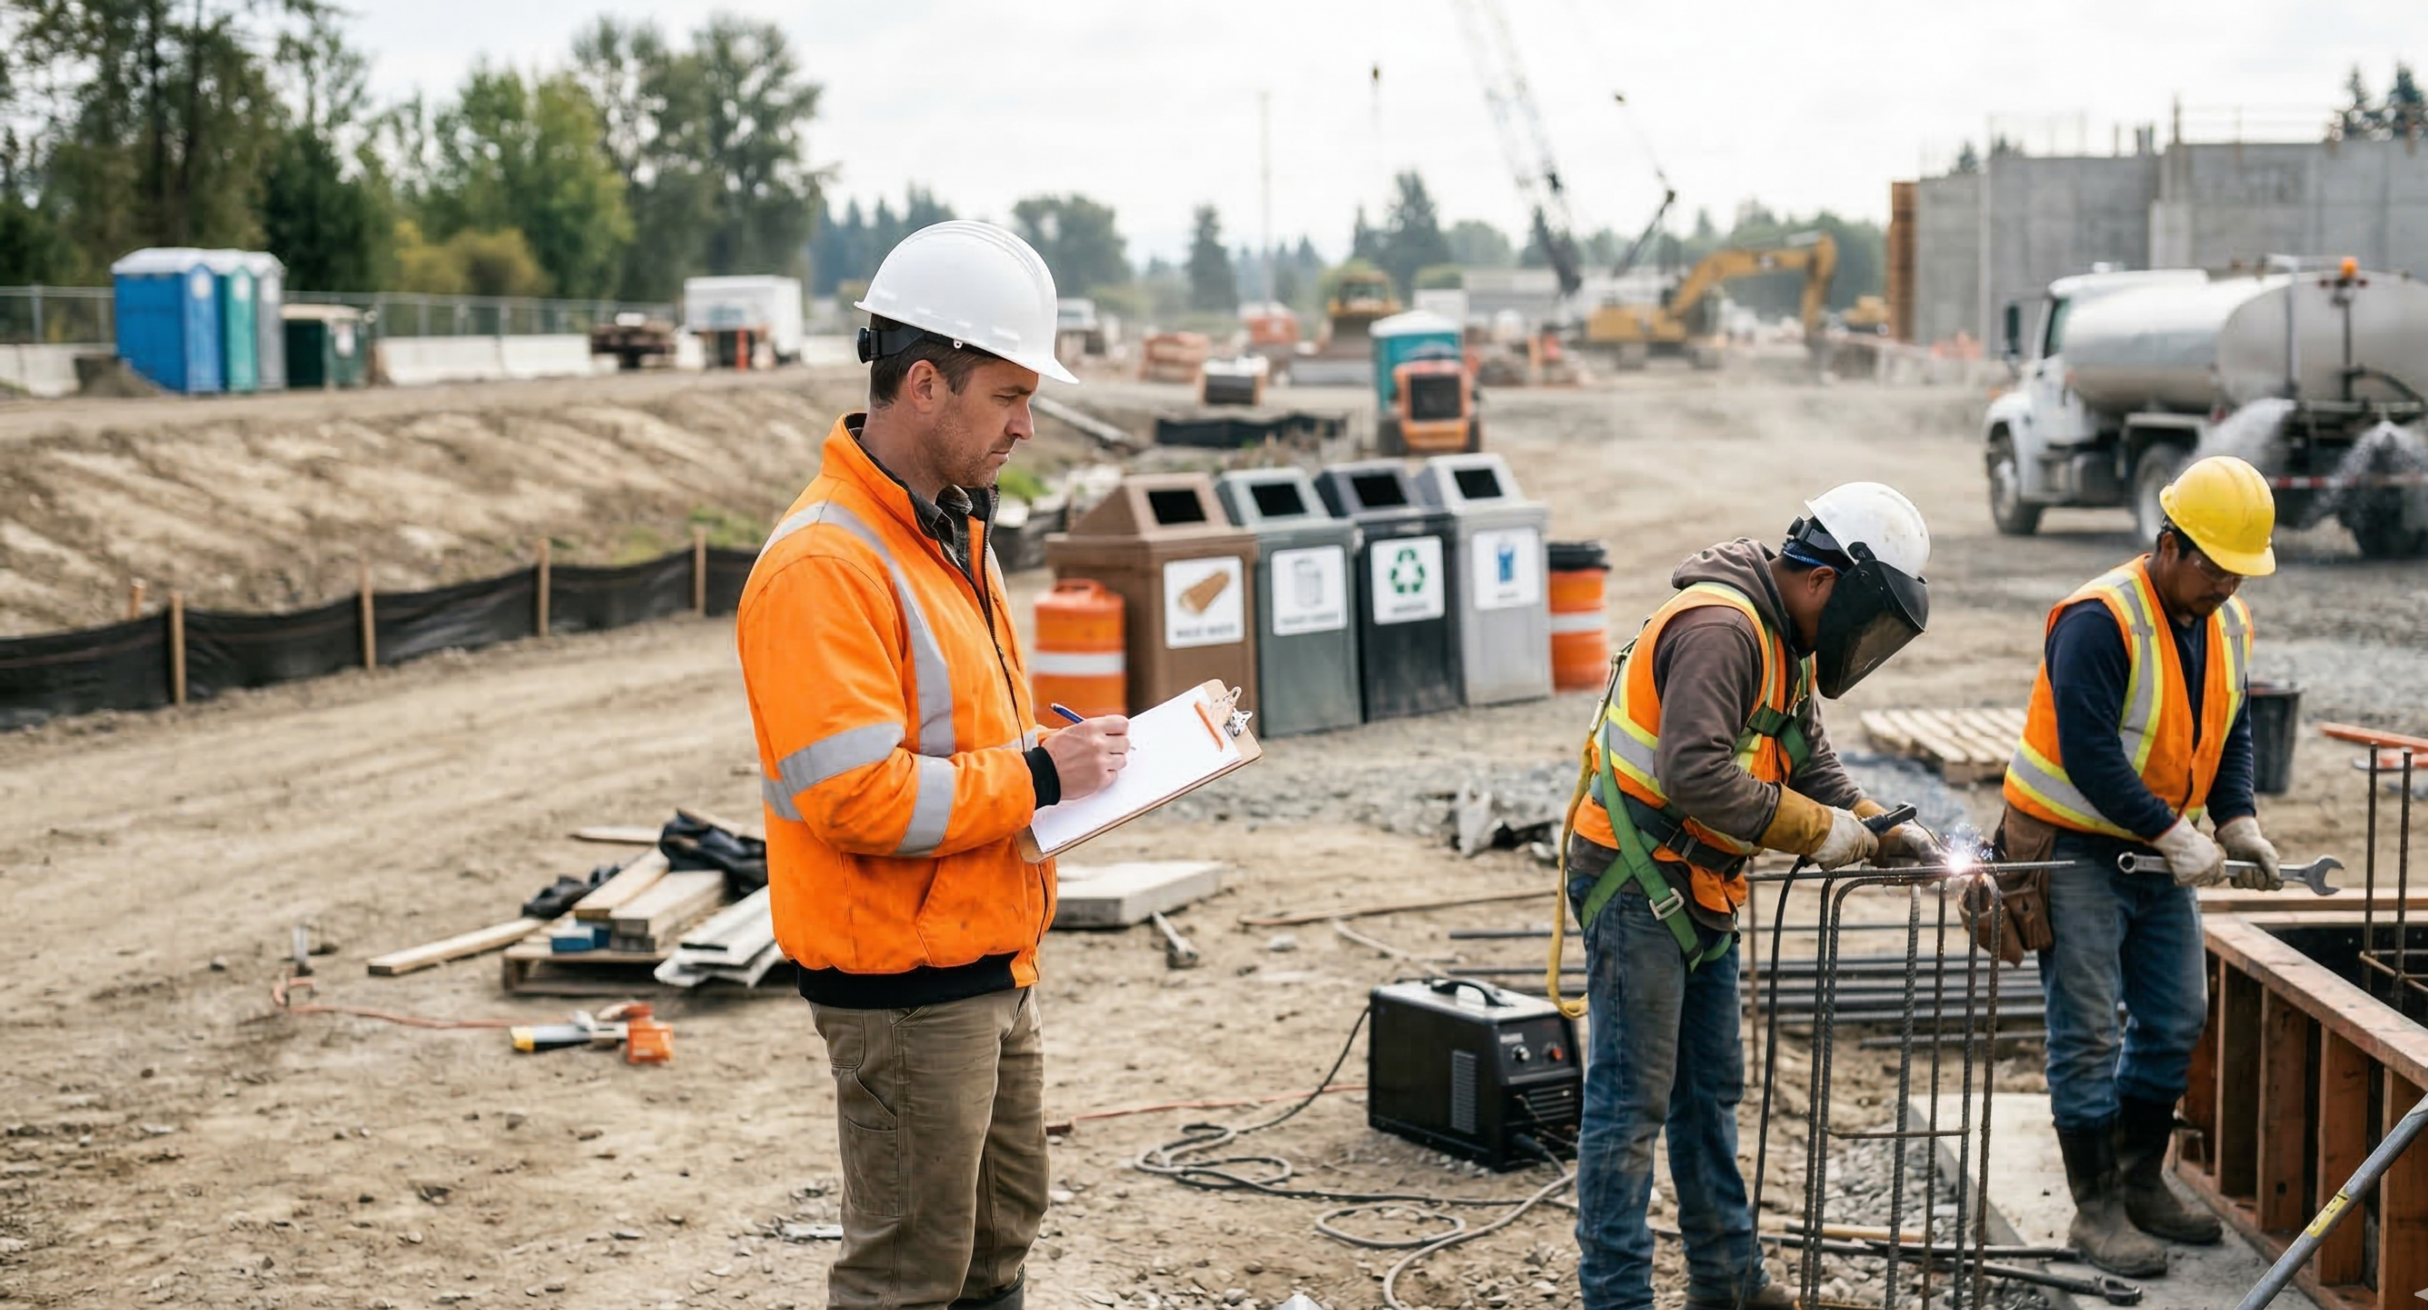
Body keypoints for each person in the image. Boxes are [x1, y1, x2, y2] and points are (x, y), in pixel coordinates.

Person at [735, 220, 1131, 1310]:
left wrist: (1056, 773)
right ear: (924, 382)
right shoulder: (825, 563)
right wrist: (1042, 778)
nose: (1026, 421)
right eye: (1007, 394)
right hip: (903, 989)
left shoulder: (948, 530)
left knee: (995, 1246)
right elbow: (858, 797)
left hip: (985, 955)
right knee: (907, 1276)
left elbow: (962, 743)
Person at [1560, 484, 1940, 1310]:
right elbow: (1693, 773)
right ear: (1829, 581)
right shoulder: (1722, 630)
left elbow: (1809, 764)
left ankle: (1728, 1284)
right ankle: (1616, 1299)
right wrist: (1817, 832)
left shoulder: (1788, 642)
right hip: (1639, 882)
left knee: (1709, 1092)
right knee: (1631, 1107)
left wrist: (1878, 828)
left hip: (1699, 884)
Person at [1998, 454, 2280, 1277]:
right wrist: (2173, 833)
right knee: (2085, 1031)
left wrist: (2238, 821)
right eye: (2216, 569)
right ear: (2169, 545)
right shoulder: (2099, 618)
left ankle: (2138, 1181)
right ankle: (2096, 1212)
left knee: (2175, 1016)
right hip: (2076, 848)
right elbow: (2088, 752)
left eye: (2239, 572)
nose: (2227, 586)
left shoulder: (2227, 622)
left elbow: (2229, 731)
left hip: (2157, 851)